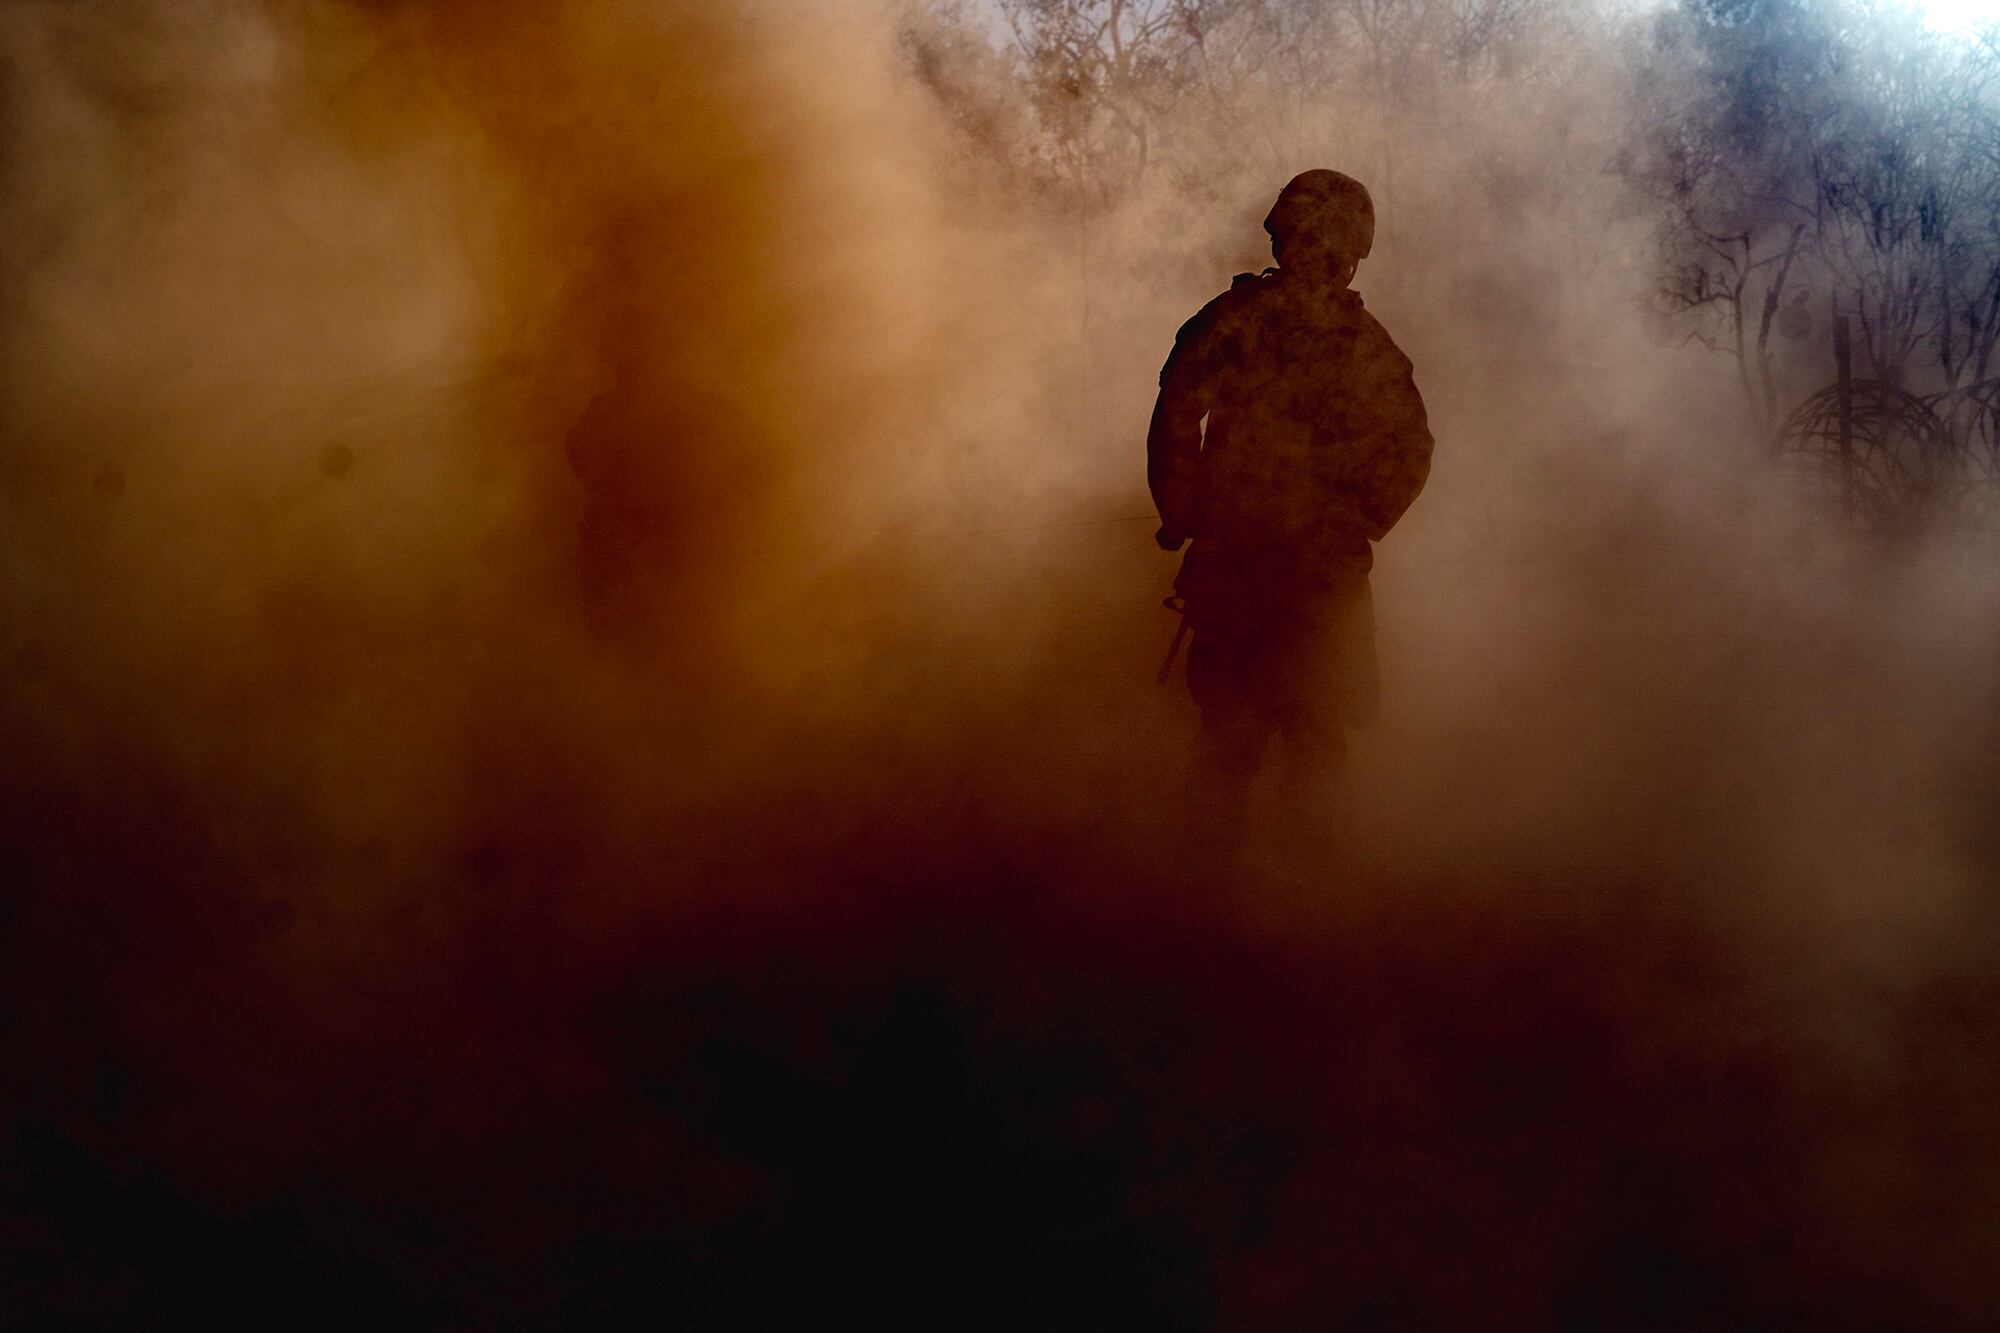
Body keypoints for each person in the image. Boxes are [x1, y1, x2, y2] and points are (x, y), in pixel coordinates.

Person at [1147, 169, 1432, 868]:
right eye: (1316, 241)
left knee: (1256, 743)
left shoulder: (1239, 319)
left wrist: (1184, 514)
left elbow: (1177, 413)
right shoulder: (1365, 343)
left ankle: (1233, 907)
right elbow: (1411, 448)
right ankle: (1293, 912)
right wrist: (1357, 520)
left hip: (1263, 568)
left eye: (1324, 243)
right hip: (1299, 573)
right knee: (1302, 741)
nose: (1318, 254)